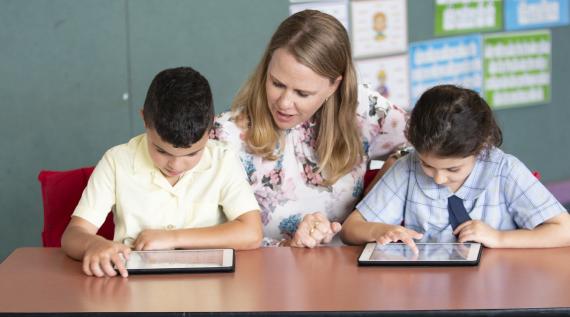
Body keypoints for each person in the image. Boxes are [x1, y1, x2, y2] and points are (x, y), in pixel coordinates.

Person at [210, 10, 408, 247]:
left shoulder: (362, 109)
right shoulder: (225, 136)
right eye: (277, 83)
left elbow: (432, 140)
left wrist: (392, 172)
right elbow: (211, 239)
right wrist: (287, 247)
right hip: (265, 277)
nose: (284, 103)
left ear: (334, 85)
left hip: (352, 275)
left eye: (302, 93)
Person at [62, 67, 263, 278]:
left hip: (208, 289)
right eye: (161, 150)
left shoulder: (223, 160)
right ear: (145, 120)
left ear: (210, 125)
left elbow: (252, 233)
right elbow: (73, 235)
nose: (176, 165)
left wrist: (172, 238)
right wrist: (94, 244)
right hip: (133, 290)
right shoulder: (116, 161)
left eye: (192, 154)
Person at [341, 84, 570, 252]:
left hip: (496, 291)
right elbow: (350, 229)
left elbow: (564, 229)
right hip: (427, 291)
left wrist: (499, 238)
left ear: (480, 147)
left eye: (453, 170)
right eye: (427, 165)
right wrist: (380, 231)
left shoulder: (504, 170)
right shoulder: (408, 168)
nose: (439, 178)